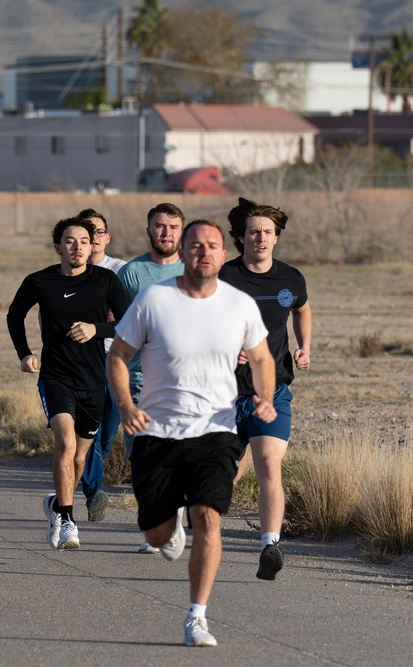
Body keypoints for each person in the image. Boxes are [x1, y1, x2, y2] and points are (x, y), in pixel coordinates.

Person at [108, 219, 276, 647]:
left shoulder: (239, 305)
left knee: (209, 516)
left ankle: (196, 616)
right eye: (195, 246)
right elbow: (118, 356)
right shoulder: (153, 300)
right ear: (182, 252)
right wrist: (127, 406)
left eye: (212, 246)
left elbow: (261, 358)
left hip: (215, 429)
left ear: (223, 255)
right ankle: (170, 520)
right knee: (156, 535)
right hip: (157, 430)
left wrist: (266, 398)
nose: (204, 252)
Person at [7, 216, 129, 550]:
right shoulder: (39, 281)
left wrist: (96, 329)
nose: (77, 247)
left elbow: (130, 321)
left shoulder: (105, 281)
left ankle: (56, 506)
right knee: (65, 443)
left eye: (84, 241)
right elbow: (14, 314)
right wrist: (25, 353)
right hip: (56, 376)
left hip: (94, 379)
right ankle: (67, 521)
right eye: (70, 241)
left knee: (79, 459)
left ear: (93, 246)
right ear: (58, 246)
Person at [220, 197, 311, 581]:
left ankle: (269, 545)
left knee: (269, 464)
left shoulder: (290, 279)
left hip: (271, 391)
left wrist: (304, 345)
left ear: (276, 239)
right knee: (224, 476)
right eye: (254, 232)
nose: (261, 238)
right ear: (241, 238)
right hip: (223, 392)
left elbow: (301, 309)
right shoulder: (224, 277)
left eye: (268, 232)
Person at [115, 202, 186, 554]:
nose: (166, 232)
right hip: (139, 378)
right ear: (148, 231)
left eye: (173, 226)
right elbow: (119, 327)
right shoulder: (131, 274)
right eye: (159, 226)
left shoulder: (194, 270)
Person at [78, 208, 127, 522]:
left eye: (97, 232)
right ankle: (95, 491)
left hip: (119, 362)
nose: (92, 238)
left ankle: (85, 466)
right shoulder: (70, 272)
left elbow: (128, 315)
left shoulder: (122, 271)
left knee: (107, 434)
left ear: (106, 238)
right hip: (82, 365)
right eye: (86, 233)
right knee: (88, 432)